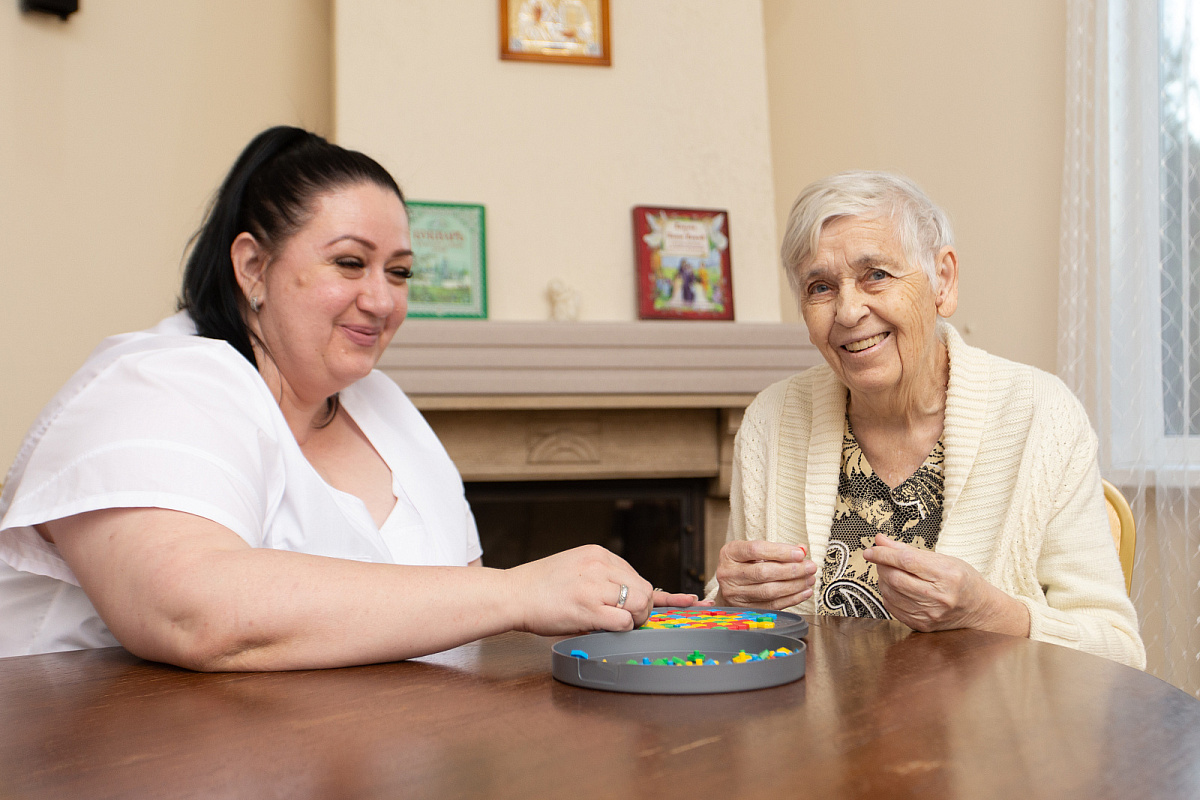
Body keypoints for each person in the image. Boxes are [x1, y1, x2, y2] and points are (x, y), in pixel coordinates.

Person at [0, 126, 696, 670]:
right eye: (349, 263)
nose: (382, 300)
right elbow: (192, 613)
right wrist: (520, 592)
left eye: (399, 272)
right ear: (252, 267)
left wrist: (597, 603)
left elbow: (450, 606)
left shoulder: (383, 407)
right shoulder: (156, 384)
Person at [707, 171, 1145, 669]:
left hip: (988, 743)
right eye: (821, 287)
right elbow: (731, 626)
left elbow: (1119, 654)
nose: (849, 311)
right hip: (810, 740)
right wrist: (728, 601)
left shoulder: (1042, 417)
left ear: (944, 280)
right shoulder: (771, 420)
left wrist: (990, 612)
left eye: (876, 274)